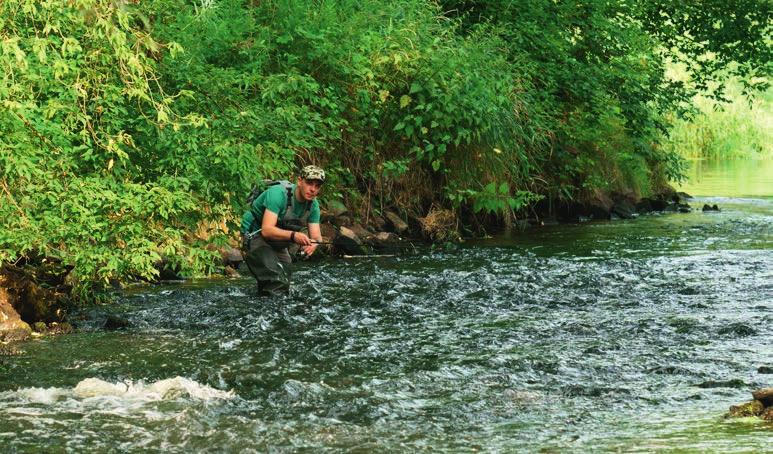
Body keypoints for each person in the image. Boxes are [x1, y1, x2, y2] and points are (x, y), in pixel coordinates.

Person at [240, 165, 325, 295]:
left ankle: (263, 306)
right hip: (255, 235)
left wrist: (314, 244)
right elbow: (267, 230)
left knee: (285, 280)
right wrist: (294, 235)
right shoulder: (278, 194)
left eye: (317, 186)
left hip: (278, 241)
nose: (313, 189)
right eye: (309, 183)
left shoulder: (313, 205)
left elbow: (316, 236)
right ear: (299, 181)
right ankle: (273, 313)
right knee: (276, 280)